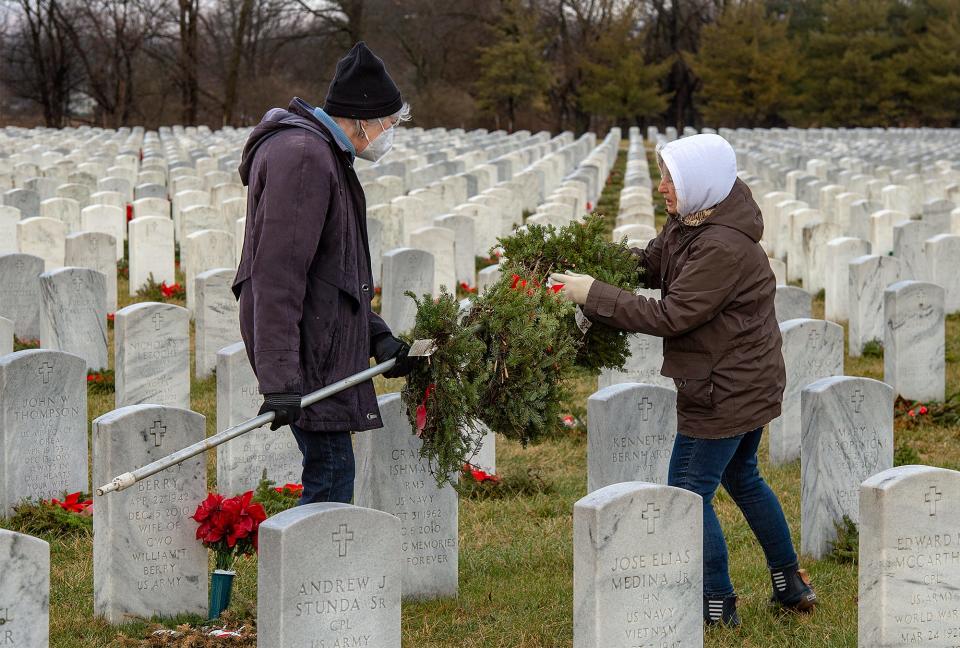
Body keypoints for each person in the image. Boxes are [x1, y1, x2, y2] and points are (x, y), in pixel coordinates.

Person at [550, 133, 817, 626]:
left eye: (671, 178)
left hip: (723, 388)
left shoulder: (722, 245)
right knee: (743, 477)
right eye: (663, 175)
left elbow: (673, 315)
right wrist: (602, 266)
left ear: (698, 181)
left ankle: (716, 605)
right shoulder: (692, 220)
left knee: (687, 492)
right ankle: (790, 584)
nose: (662, 187)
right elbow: (654, 263)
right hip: (741, 379)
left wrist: (594, 295)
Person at [233, 41, 416, 505]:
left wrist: (376, 336)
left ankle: (315, 574)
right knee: (332, 475)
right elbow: (278, 272)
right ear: (362, 120)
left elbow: (331, 270)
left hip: (319, 341)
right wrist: (279, 381)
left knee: (330, 469)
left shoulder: (320, 153)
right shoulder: (305, 157)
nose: (390, 135)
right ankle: (310, 576)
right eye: (389, 125)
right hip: (307, 353)